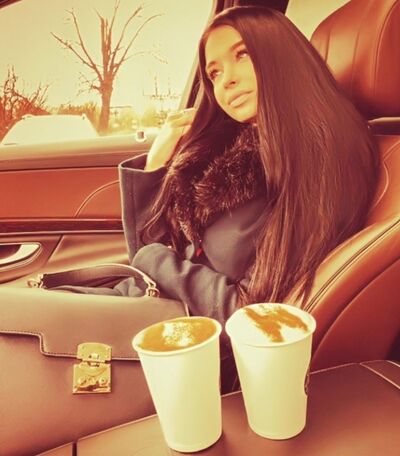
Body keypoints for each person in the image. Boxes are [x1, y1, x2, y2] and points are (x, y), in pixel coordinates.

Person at [48, 6, 380, 388]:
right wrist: (157, 162)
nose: (227, 81)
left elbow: (252, 314)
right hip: (165, 314)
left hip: (194, 352)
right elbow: (153, 247)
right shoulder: (238, 146)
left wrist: (156, 261)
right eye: (215, 73)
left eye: (242, 55)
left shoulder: (316, 160)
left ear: (281, 55)